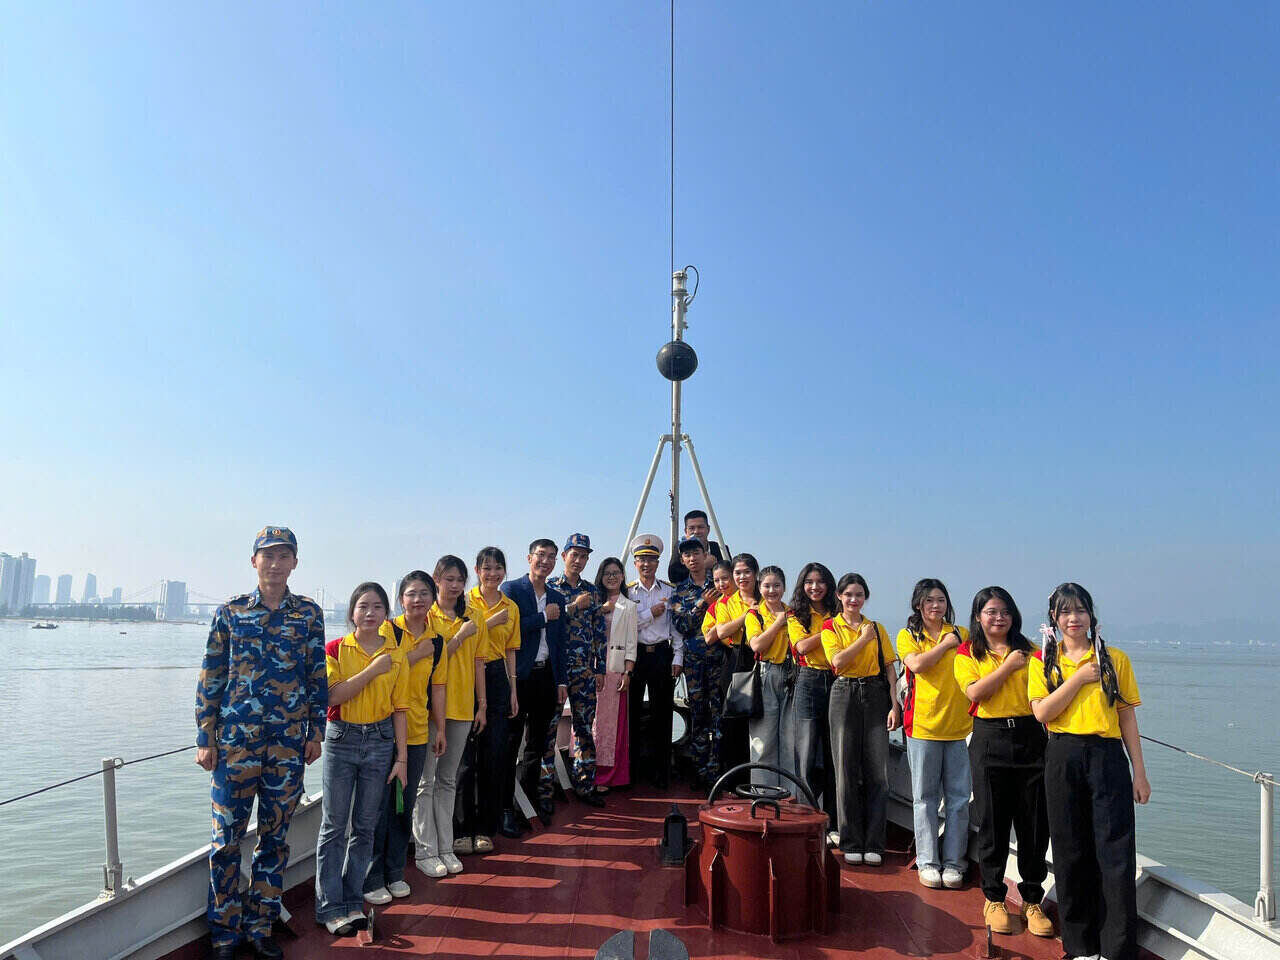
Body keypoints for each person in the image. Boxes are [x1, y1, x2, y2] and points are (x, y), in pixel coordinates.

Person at [196, 526, 326, 960]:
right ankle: (224, 933)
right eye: (267, 556)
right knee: (225, 841)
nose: (275, 563)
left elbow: (315, 676)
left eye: (283, 555)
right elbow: (211, 675)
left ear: (294, 563)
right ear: (254, 562)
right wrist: (204, 736)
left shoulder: (307, 614)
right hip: (234, 747)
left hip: (288, 748)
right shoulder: (230, 613)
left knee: (275, 839)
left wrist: (317, 730)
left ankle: (260, 926)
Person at [1030, 583, 1150, 960]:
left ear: (1090, 615)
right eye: (1065, 612)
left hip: (1107, 755)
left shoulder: (1115, 660)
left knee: (1115, 853)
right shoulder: (1043, 662)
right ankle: (1080, 946)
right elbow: (1042, 713)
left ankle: (1116, 949)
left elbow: (1127, 717)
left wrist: (1139, 773)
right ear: (1054, 618)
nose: (1073, 618)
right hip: (1062, 754)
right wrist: (1079, 678)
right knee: (1070, 850)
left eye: (1080, 610)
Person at [954, 586, 1054, 939]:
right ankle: (994, 897)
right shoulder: (967, 652)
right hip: (989, 737)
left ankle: (1031, 898)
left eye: (1005, 611)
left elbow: (1050, 689)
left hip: (1031, 738)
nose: (999, 618)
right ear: (978, 616)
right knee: (993, 822)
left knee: (1034, 823)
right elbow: (976, 693)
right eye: (991, 611)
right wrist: (1011, 665)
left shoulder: (1033, 652)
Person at [315, 582, 408, 936]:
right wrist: (373, 670)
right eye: (363, 606)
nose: (370, 613)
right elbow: (333, 695)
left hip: (381, 740)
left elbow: (400, 707)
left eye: (377, 607)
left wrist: (401, 757)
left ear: (386, 613)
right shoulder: (336, 650)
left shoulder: (396, 654)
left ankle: (354, 902)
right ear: (352, 612)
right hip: (343, 738)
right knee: (334, 826)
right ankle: (329, 907)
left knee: (365, 826)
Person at [363, 572, 448, 905]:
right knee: (377, 807)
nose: (418, 600)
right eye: (411, 594)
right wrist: (416, 654)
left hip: (414, 732)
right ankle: (371, 877)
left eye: (425, 594)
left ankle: (394, 872)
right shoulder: (387, 630)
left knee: (403, 805)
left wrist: (439, 728)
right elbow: (380, 670)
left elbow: (437, 688)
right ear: (400, 600)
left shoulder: (437, 640)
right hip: (382, 731)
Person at [896, 579, 972, 890]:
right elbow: (916, 665)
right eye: (929, 601)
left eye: (940, 600)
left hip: (958, 727)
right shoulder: (908, 635)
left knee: (958, 799)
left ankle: (954, 862)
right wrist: (945, 645)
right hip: (923, 726)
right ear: (918, 605)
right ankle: (928, 861)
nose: (936, 606)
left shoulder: (962, 634)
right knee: (925, 798)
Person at [821, 573, 901, 866]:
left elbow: (890, 668)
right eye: (848, 595)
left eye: (859, 594)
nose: (854, 600)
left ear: (865, 597)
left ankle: (875, 842)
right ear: (840, 597)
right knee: (845, 769)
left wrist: (894, 704)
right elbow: (837, 662)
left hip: (875, 694)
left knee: (877, 773)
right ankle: (851, 839)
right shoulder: (831, 627)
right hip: (844, 693)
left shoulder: (877, 628)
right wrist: (862, 640)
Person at [413, 556, 484, 879]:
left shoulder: (474, 617)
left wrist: (481, 705)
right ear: (436, 579)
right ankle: (424, 851)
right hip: (430, 710)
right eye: (448, 579)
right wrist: (458, 638)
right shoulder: (426, 617)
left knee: (448, 779)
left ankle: (445, 846)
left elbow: (479, 664)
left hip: (462, 707)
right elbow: (431, 658)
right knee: (425, 782)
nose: (454, 585)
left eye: (460, 580)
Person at [501, 539, 569, 831]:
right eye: (541, 555)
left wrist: (561, 680)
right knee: (511, 742)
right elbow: (510, 629)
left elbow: (560, 641)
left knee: (537, 744)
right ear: (529, 557)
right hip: (519, 677)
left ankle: (527, 802)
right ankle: (506, 808)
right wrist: (542, 616)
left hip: (545, 677)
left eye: (552, 557)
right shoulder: (512, 590)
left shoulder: (557, 597)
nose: (546, 561)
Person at [458, 547, 521, 853]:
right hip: (466, 674)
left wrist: (512, 689)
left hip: (496, 675)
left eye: (498, 568)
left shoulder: (512, 606)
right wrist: (491, 621)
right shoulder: (466, 602)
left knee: (493, 754)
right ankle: (462, 828)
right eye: (487, 568)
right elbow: (465, 635)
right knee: (465, 759)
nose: (492, 573)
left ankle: (486, 827)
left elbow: (511, 650)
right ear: (477, 570)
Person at [548, 533, 608, 805]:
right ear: (564, 556)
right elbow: (550, 623)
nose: (579, 560)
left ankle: (586, 786)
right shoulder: (551, 588)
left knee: (585, 728)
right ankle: (546, 792)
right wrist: (573, 606)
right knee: (550, 730)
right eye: (575, 554)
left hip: (584, 670)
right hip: (556, 670)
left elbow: (599, 632)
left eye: (584, 556)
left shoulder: (593, 592)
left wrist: (601, 668)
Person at [787, 561, 839, 832]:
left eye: (820, 582)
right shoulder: (796, 614)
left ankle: (833, 821)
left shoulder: (838, 611)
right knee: (805, 753)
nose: (815, 587)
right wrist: (831, 629)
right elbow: (802, 646)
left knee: (834, 754)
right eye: (809, 582)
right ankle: (805, 816)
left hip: (837, 681)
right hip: (808, 680)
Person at [627, 534, 681, 787]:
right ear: (635, 563)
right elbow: (626, 626)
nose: (646, 564)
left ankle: (662, 774)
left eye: (651, 559)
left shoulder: (670, 591)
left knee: (663, 715)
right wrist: (650, 613)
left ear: (657, 563)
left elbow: (676, 628)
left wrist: (678, 657)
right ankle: (634, 771)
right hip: (635, 656)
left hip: (661, 654)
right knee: (633, 714)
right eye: (641, 560)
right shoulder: (627, 593)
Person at [669, 537, 723, 790]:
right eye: (687, 555)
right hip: (694, 664)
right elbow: (682, 626)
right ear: (683, 560)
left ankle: (721, 772)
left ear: (706, 555)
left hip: (720, 661)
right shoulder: (679, 591)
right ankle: (702, 772)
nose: (692, 558)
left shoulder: (721, 584)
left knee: (720, 715)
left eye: (696, 553)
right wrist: (702, 604)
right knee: (698, 716)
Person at [743, 565, 796, 787]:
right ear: (759, 587)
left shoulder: (795, 614)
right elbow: (757, 644)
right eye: (766, 585)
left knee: (790, 740)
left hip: (792, 675)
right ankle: (764, 795)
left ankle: (790, 795)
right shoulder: (754, 615)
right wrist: (778, 623)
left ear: (784, 588)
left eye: (776, 585)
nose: (772, 590)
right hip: (766, 674)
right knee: (762, 741)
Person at [710, 553, 761, 780]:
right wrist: (748, 613)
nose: (742, 577)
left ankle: (759, 779)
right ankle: (732, 780)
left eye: (746, 572)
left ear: (755, 574)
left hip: (764, 662)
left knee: (761, 724)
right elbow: (722, 632)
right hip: (736, 661)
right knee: (733, 724)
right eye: (737, 573)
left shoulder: (767, 596)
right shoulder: (727, 603)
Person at [592, 556, 637, 789]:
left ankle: (609, 775)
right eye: (607, 573)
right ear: (601, 576)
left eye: (616, 573)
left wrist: (627, 673)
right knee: (593, 721)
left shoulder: (629, 607)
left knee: (612, 724)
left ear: (622, 576)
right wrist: (600, 610)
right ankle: (587, 771)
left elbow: (631, 642)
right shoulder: (592, 601)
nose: (611, 577)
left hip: (615, 668)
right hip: (592, 666)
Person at [666, 509, 725, 584]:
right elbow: (673, 577)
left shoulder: (720, 548)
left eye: (700, 527)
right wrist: (703, 565)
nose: (696, 531)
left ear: (708, 529)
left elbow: (729, 573)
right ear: (685, 531)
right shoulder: (680, 548)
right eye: (691, 528)